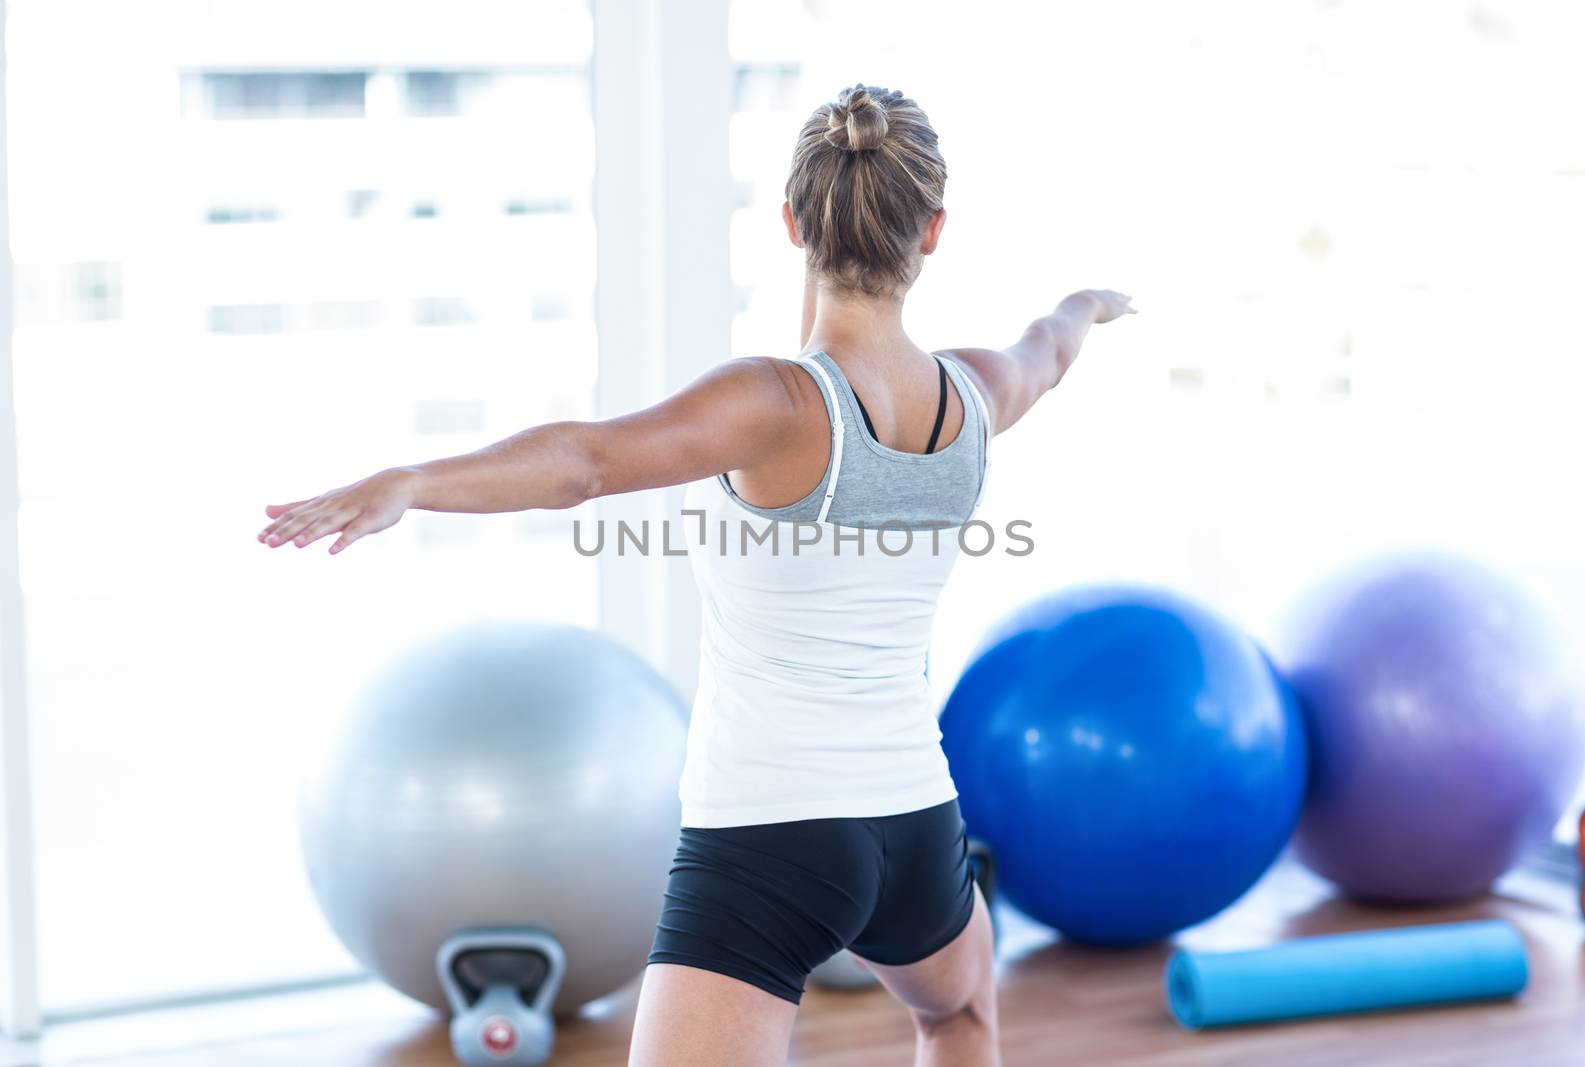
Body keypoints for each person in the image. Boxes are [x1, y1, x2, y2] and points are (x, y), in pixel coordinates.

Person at [259, 84, 1134, 1067]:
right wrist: (1089, 304)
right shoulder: (976, 391)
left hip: (767, 839)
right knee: (960, 1011)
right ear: (931, 231)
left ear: (793, 222)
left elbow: (585, 461)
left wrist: (413, 480)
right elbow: (1048, 347)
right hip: (915, 825)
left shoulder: (777, 404)